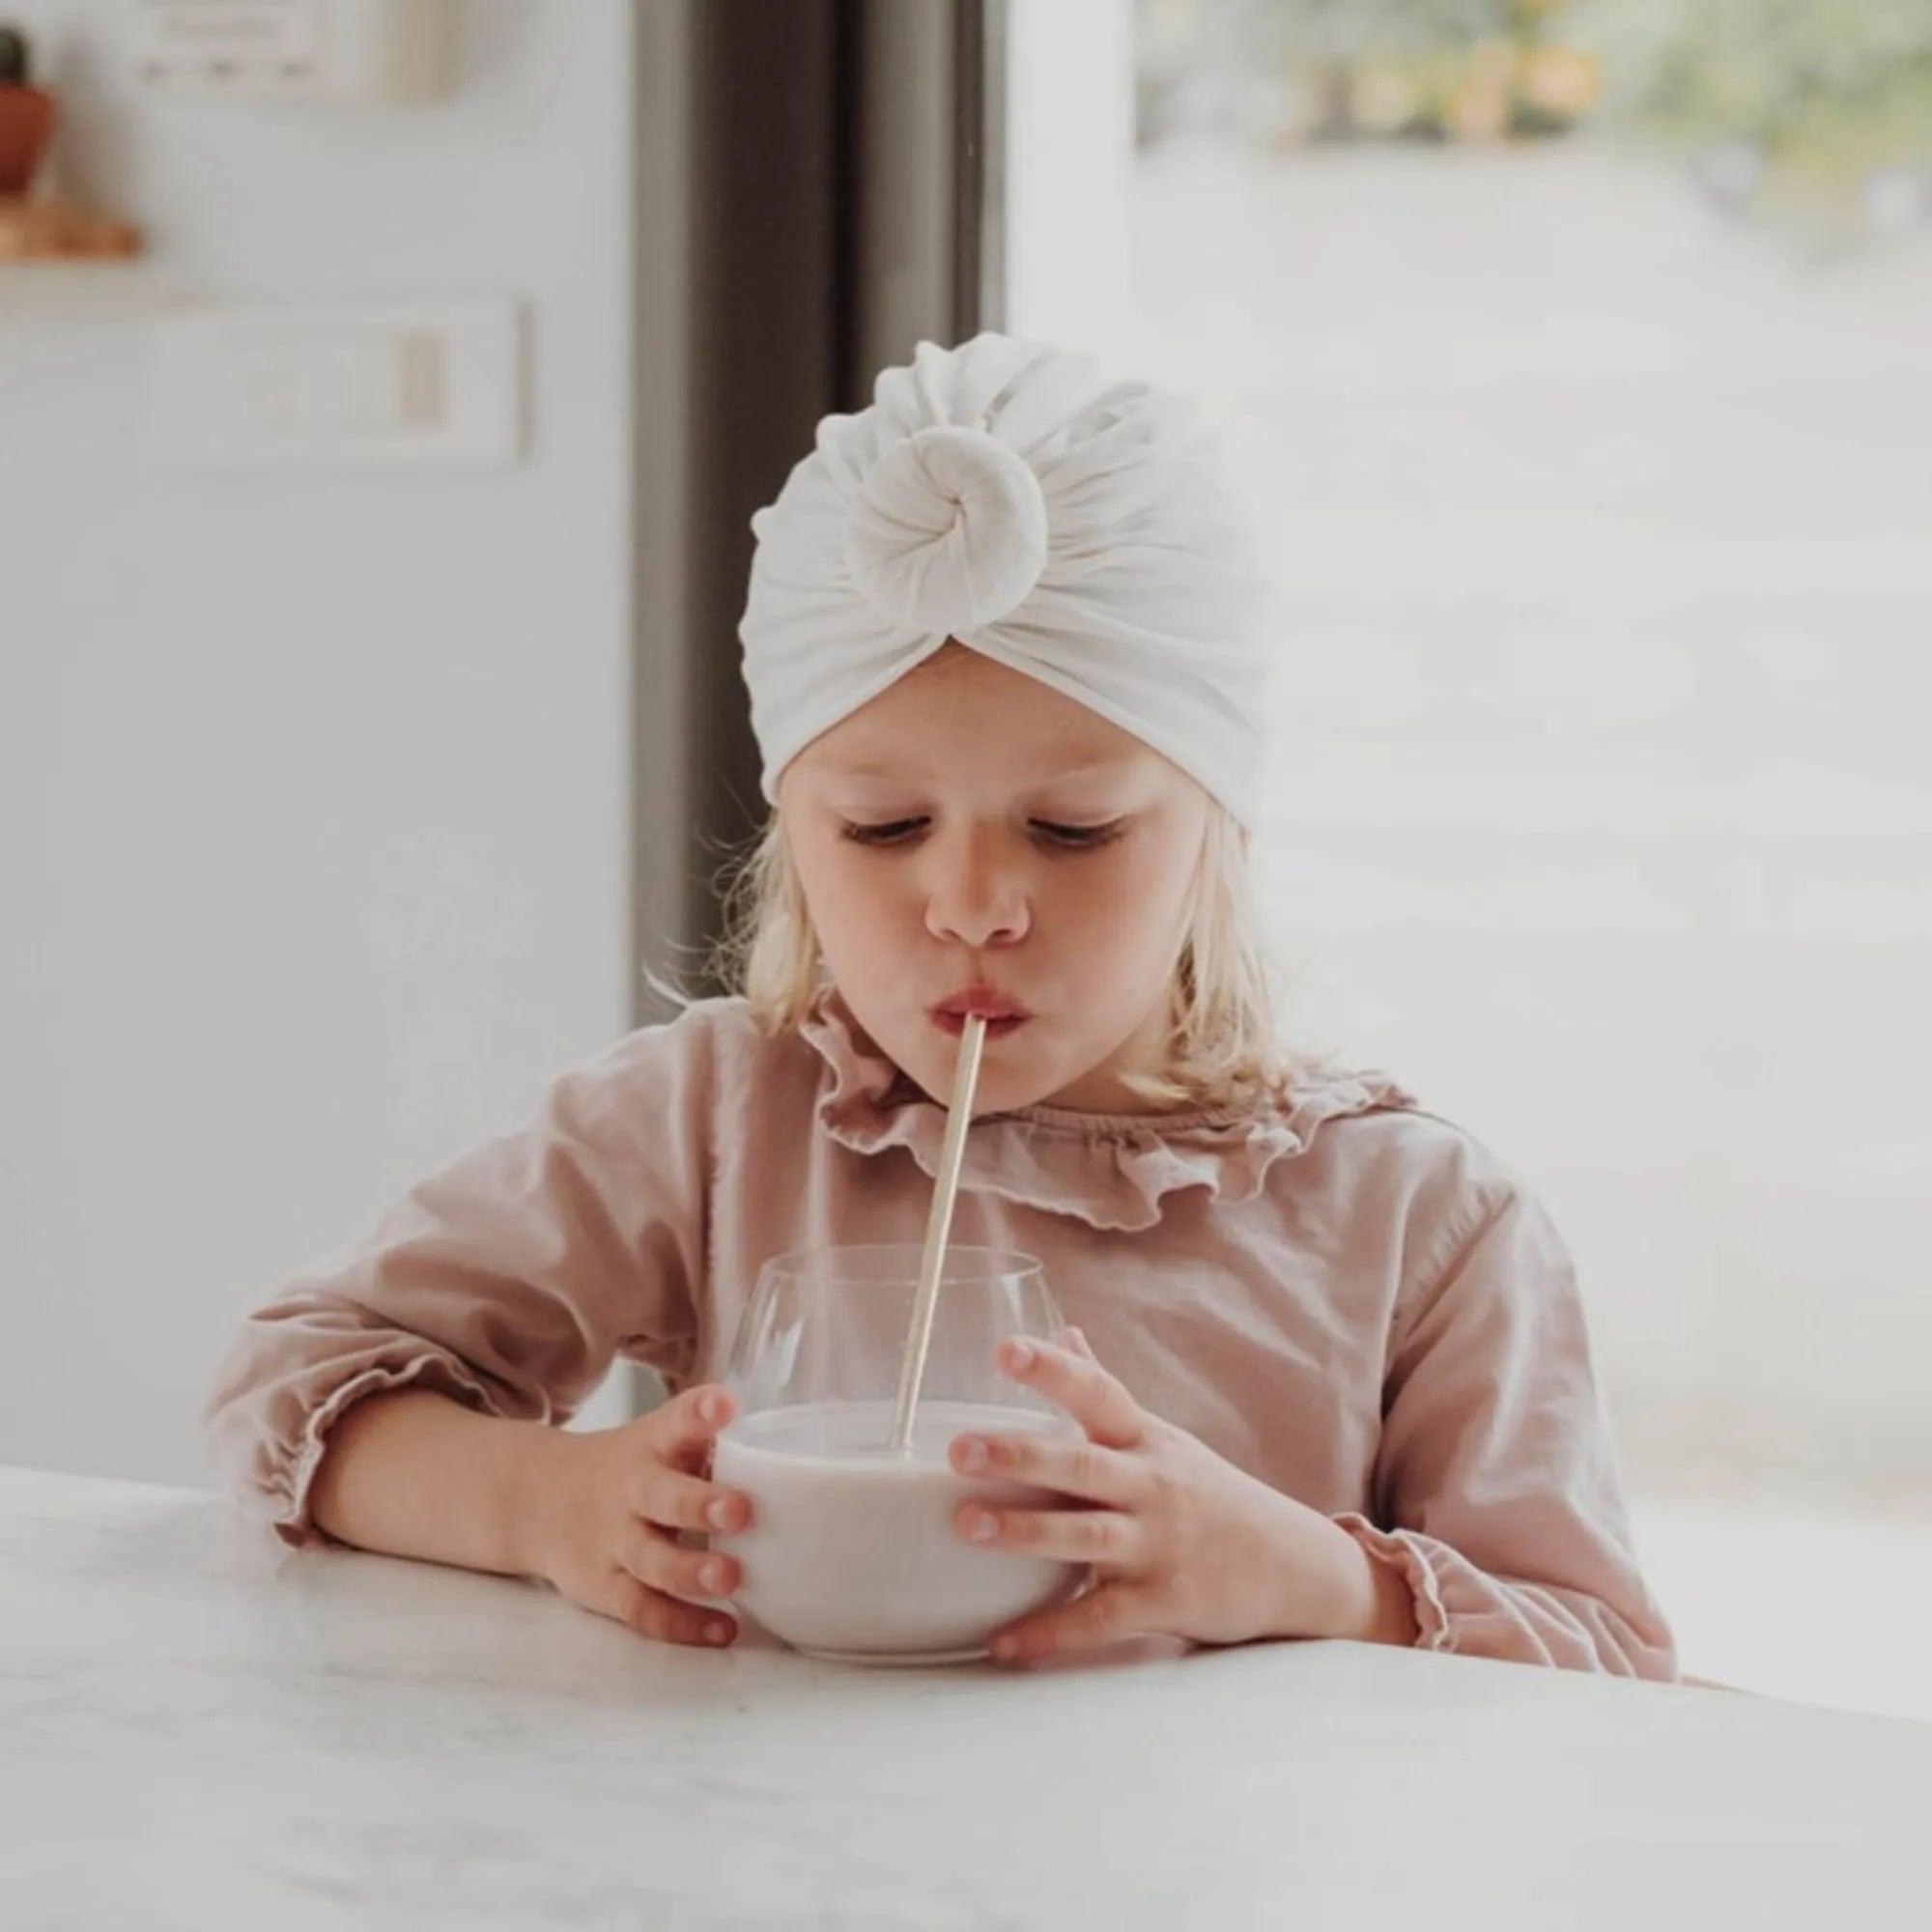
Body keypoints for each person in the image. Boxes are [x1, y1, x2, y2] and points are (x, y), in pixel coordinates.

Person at [203, 332, 1676, 1678]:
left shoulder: (1417, 1225)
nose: (973, 904)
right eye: (886, 829)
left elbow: (1609, 1663)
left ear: (1215, 826)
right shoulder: (716, 1119)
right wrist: (544, 1502)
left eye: (1076, 829)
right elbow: (291, 1387)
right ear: (794, 833)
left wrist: (1304, 1575)